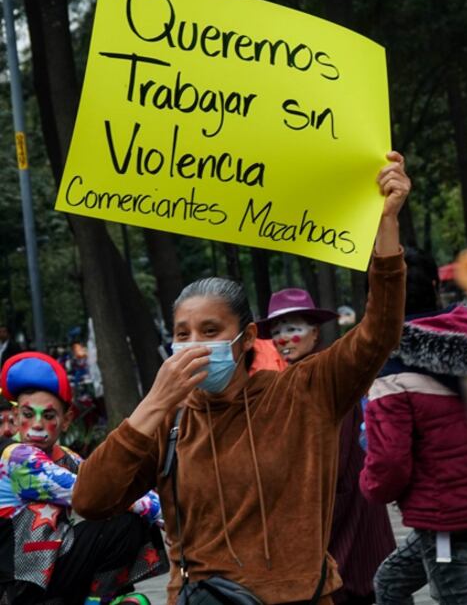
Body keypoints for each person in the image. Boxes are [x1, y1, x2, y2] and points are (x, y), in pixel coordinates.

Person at [72, 153, 410, 604]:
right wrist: (154, 403)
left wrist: (386, 224)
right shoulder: (170, 423)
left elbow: (379, 331)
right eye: (183, 334)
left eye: (211, 331)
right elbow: (89, 500)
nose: (194, 343)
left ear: (247, 337)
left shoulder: (303, 391)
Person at [361, 248, 467, 605]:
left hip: (446, 517)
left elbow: (389, 461)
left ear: (375, 301)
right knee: (389, 582)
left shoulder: (390, 368)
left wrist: (370, 487)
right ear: (436, 286)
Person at [255, 288, 395, 605]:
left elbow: (332, 454)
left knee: (352, 586)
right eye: (276, 332)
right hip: (324, 505)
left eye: (293, 329)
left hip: (341, 503)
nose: (283, 339)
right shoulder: (289, 380)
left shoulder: (327, 374)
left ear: (315, 332)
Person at [0, 352, 166, 603]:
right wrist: (172, 517)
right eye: (27, 414)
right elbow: (99, 490)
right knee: (117, 517)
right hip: (15, 586)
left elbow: (111, 482)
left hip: (51, 571)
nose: (37, 425)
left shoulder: (66, 456)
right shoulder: (16, 458)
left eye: (48, 416)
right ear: (15, 416)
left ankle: (97, 599)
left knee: (124, 521)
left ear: (66, 420)